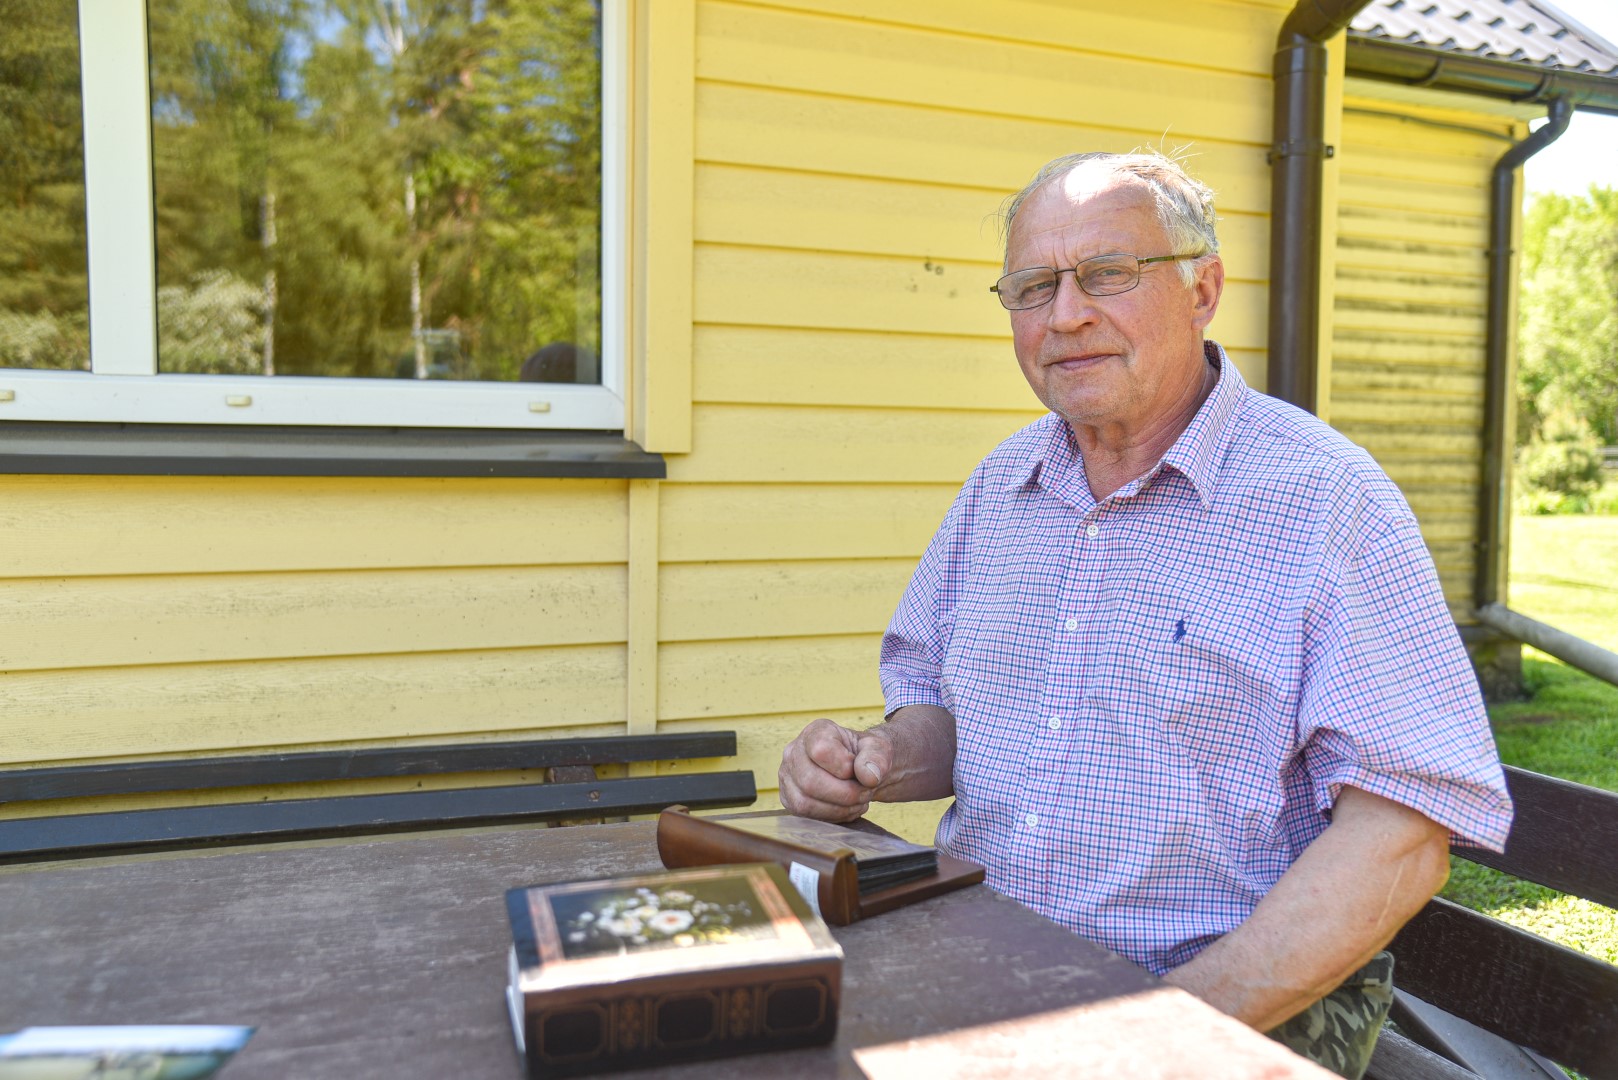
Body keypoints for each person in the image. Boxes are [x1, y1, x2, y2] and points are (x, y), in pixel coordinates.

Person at [777, 150, 1513, 1079]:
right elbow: (950, 715)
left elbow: (1403, 831)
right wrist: (872, 759)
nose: (1066, 315)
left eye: (1108, 274)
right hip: (986, 953)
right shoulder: (1002, 485)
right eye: (1034, 287)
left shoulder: (1326, 500)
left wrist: (1159, 1031)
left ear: (1203, 289)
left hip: (1225, 995)